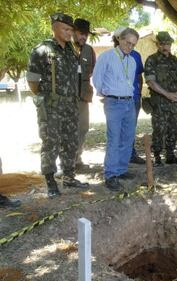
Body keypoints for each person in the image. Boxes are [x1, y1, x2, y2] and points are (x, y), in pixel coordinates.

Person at [27, 13, 89, 199]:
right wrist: (47, 97)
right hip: (51, 107)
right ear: (54, 28)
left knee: (70, 141)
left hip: (70, 105)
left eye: (71, 30)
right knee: (51, 143)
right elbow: (33, 81)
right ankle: (51, 181)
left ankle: (69, 177)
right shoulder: (42, 50)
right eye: (66, 29)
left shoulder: (71, 50)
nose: (70, 33)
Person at [93, 28, 140, 191]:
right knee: (114, 138)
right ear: (119, 39)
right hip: (113, 102)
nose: (130, 47)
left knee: (128, 138)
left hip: (129, 102)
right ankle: (110, 175)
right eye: (128, 43)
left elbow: (130, 83)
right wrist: (105, 94)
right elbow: (97, 79)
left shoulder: (132, 61)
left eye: (133, 45)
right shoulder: (106, 57)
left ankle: (121, 170)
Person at [144, 31, 177, 166]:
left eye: (167, 43)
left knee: (173, 129)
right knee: (159, 130)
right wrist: (167, 95)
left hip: (174, 103)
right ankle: (157, 157)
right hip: (160, 103)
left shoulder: (176, 61)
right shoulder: (152, 60)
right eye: (162, 44)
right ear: (157, 44)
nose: (165, 46)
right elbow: (150, 82)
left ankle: (170, 155)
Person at [112, 27, 146, 165]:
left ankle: (130, 154)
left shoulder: (136, 55)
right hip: (115, 99)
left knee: (131, 128)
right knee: (116, 130)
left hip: (134, 98)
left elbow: (139, 76)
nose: (128, 45)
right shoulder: (110, 56)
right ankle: (116, 159)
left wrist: (138, 94)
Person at [72, 18, 96, 169]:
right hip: (67, 96)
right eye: (81, 33)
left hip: (83, 96)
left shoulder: (88, 50)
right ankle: (67, 163)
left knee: (83, 127)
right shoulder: (65, 48)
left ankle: (77, 158)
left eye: (86, 34)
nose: (84, 37)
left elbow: (91, 70)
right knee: (67, 129)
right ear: (73, 32)